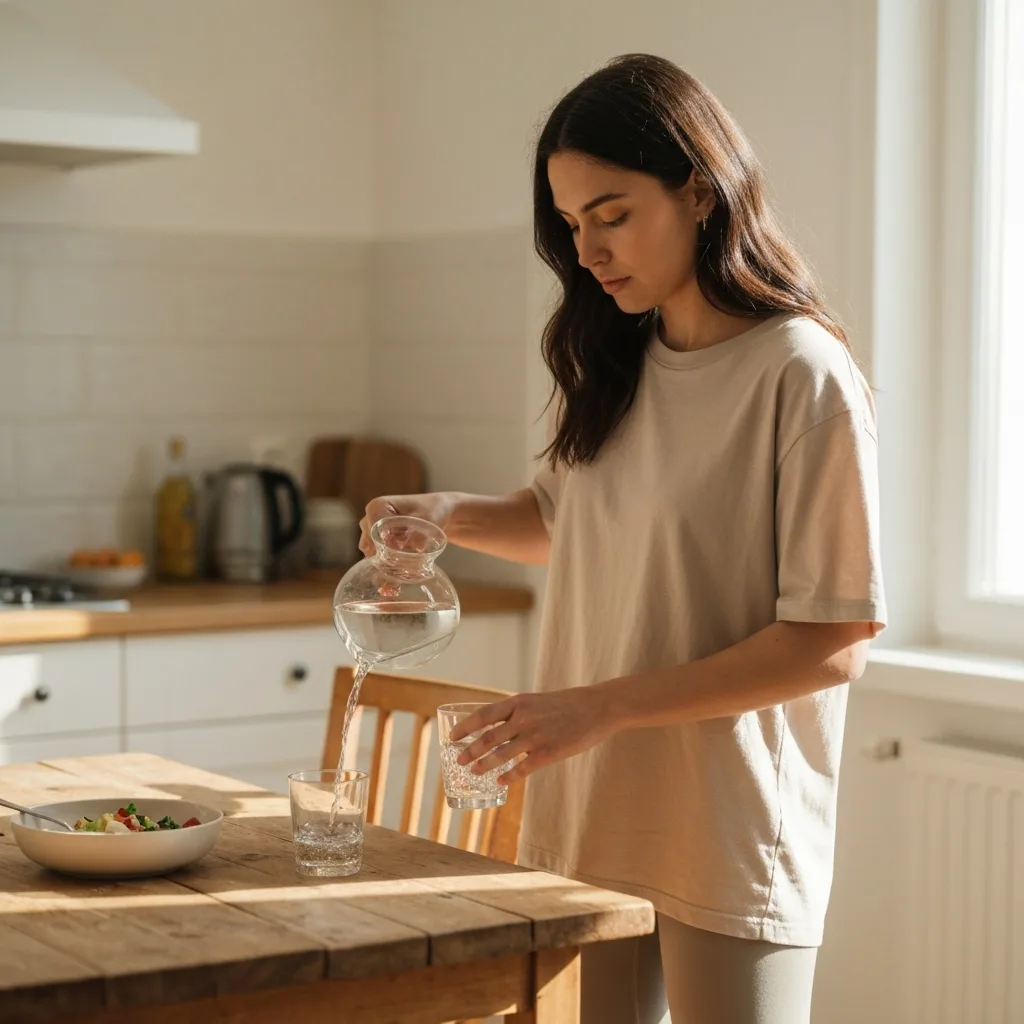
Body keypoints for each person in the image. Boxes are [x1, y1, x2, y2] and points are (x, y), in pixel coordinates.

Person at [358, 53, 886, 1024]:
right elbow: (567, 522)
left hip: (726, 823)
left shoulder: (799, 373)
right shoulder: (614, 356)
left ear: (699, 193)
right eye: (570, 225)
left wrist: (595, 707)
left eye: (611, 214)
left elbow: (833, 638)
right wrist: (445, 514)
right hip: (590, 809)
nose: (589, 250)